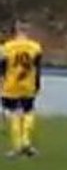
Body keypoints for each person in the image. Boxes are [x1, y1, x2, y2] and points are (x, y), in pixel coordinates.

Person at [0, 20, 42, 158]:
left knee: (13, 113)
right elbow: (37, 68)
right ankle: (26, 142)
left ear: (15, 31)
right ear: (27, 31)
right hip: (28, 85)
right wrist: (37, 84)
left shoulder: (6, 47)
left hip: (10, 85)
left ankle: (17, 146)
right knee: (28, 111)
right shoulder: (35, 47)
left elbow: (2, 68)